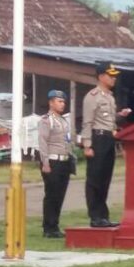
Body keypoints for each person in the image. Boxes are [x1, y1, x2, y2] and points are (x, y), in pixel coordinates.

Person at [81, 61, 131, 228]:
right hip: (98, 138)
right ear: (101, 76)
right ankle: (95, 216)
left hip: (109, 138)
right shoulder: (92, 97)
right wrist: (87, 145)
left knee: (105, 178)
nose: (114, 79)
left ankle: (103, 216)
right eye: (111, 76)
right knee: (95, 178)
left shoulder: (109, 96)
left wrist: (119, 115)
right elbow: (87, 122)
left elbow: (108, 120)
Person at [38, 90, 74, 238]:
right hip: (52, 161)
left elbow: (67, 140)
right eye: (59, 101)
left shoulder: (64, 120)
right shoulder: (47, 120)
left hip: (64, 161)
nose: (62, 104)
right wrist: (45, 162)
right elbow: (42, 142)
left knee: (60, 195)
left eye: (63, 102)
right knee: (51, 195)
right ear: (51, 103)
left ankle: (55, 225)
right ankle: (48, 227)